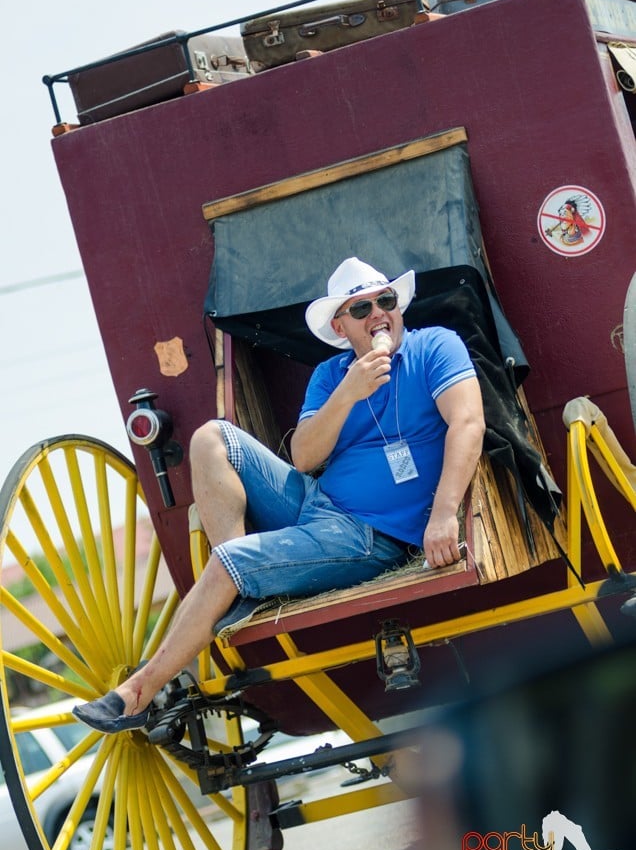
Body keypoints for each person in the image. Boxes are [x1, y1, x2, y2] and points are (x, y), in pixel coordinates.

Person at [73, 257, 485, 733]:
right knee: (210, 437)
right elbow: (304, 457)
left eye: (386, 301)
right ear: (340, 326)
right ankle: (242, 584)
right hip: (316, 504)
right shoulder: (332, 376)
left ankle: (139, 692)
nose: (378, 314)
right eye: (361, 308)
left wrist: (443, 514)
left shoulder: (435, 346)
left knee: (230, 563)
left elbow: (468, 422)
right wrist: (349, 392)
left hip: (370, 537)